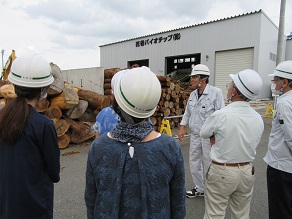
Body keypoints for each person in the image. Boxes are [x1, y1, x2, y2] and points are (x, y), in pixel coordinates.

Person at [85, 66, 186, 218]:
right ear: (153, 107)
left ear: (116, 103)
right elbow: (178, 204)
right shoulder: (170, 147)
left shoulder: (99, 147)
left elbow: (91, 200)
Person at [0, 53, 60, 219]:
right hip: (35, 206)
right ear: (43, 89)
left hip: (5, 204)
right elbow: (54, 173)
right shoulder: (44, 125)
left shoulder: (2, 116)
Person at [200, 69, 264, 219]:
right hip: (247, 170)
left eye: (230, 86)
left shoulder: (222, 114)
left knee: (214, 214)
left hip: (223, 170)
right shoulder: (258, 118)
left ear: (234, 91)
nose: (228, 88)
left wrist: (216, 136)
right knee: (241, 214)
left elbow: (204, 132)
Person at [178, 64, 225, 197]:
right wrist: (182, 128)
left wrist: (216, 134)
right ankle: (200, 188)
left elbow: (220, 115)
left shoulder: (216, 93)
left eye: (194, 77)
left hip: (209, 136)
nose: (191, 80)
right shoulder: (193, 95)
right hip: (195, 135)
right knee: (194, 162)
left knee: (208, 162)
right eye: (192, 77)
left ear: (203, 79)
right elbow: (187, 113)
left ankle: (211, 190)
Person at [263, 60, 292, 219]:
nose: (274, 83)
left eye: (276, 80)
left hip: (281, 166)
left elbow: (290, 135)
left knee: (280, 210)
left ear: (285, 82)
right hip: (287, 165)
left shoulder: (284, 103)